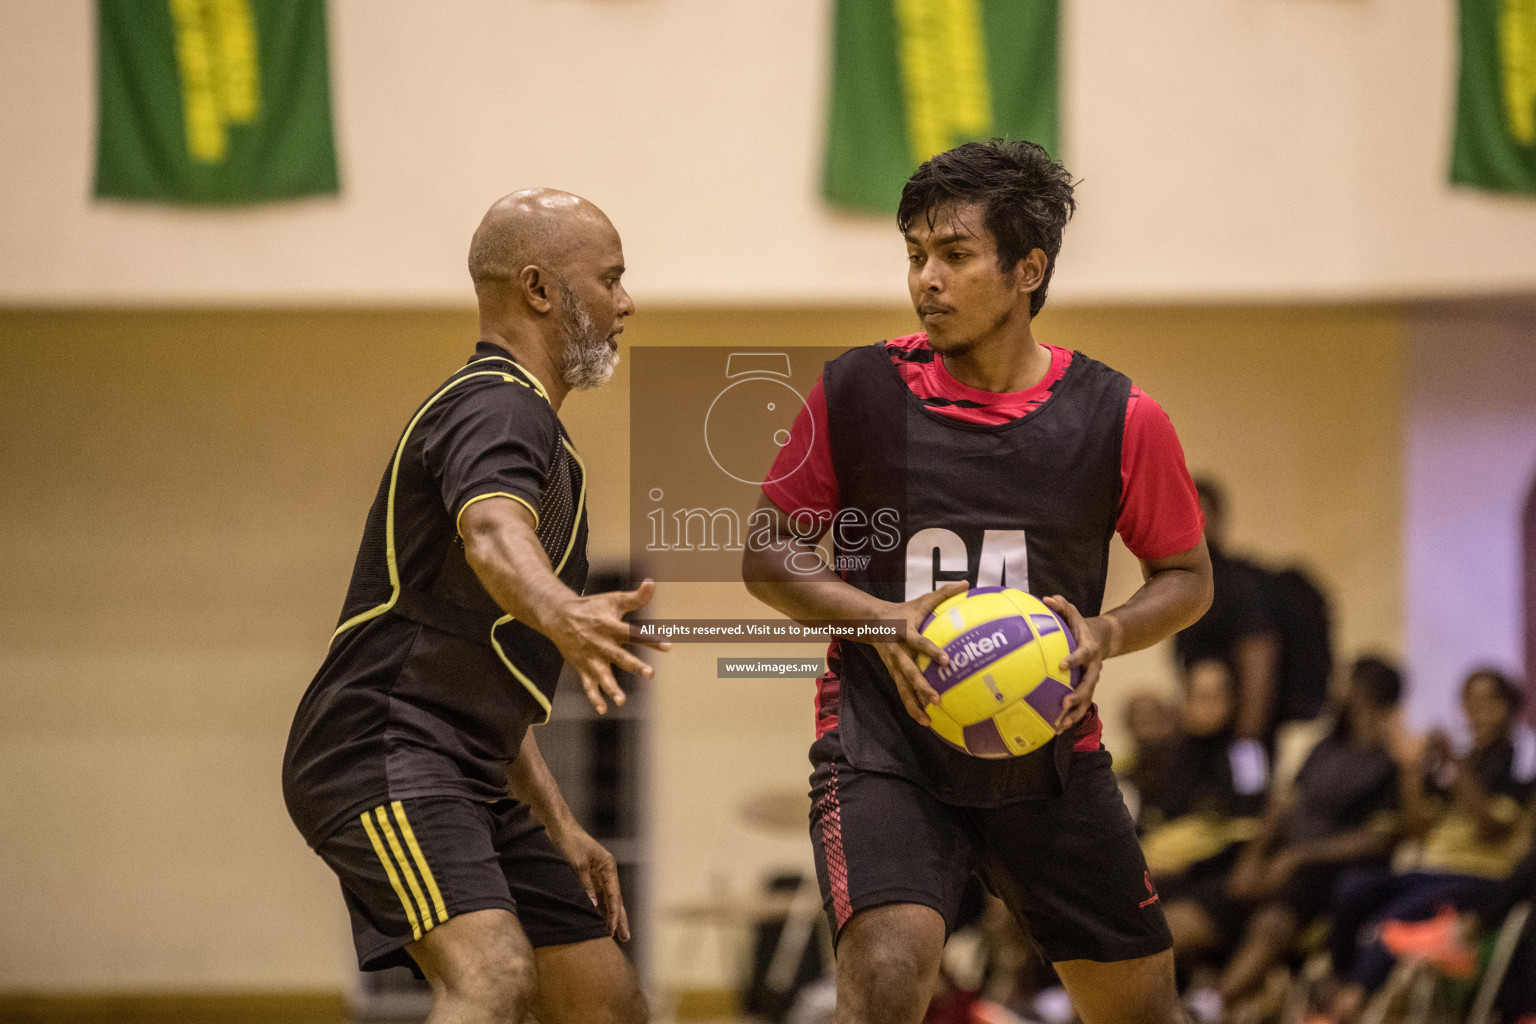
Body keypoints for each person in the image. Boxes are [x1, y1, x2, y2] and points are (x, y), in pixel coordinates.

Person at [740, 140, 1214, 1024]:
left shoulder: (1120, 418)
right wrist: (879, 619)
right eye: (917, 256)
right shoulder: (855, 391)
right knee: (886, 979)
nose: (927, 279)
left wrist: (1108, 631)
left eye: (955, 256)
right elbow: (767, 554)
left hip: (1049, 757)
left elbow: (1186, 577)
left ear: (1028, 268)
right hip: (885, 752)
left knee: (1144, 1008)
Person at [282, 189, 663, 1024]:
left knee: (605, 1003)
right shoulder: (494, 403)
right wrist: (564, 609)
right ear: (538, 289)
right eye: (611, 279)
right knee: (491, 978)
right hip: (380, 743)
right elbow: (494, 532)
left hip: (468, 765)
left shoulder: (534, 426)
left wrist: (558, 821)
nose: (627, 301)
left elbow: (478, 679)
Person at [1318, 668, 1533, 1022]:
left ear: (1507, 708)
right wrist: (1411, 768)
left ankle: (1352, 1004)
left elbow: (1491, 827)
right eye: (1469, 701)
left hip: (1481, 877)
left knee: (1394, 917)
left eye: (1486, 702)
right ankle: (1343, 987)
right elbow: (1419, 828)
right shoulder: (1461, 761)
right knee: (1353, 889)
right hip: (1430, 869)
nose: (1475, 712)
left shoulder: (1518, 762)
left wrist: (1456, 766)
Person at [1213, 657, 1405, 1011]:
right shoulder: (1326, 746)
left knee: (1274, 921)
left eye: (1349, 682)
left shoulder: (1391, 762)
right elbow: (1285, 803)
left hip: (1335, 872)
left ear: (1366, 693)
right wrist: (1254, 856)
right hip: (1284, 859)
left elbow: (1380, 838)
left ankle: (1210, 1006)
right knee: (1218, 894)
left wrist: (1298, 856)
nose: (1339, 690)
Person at [1147, 659, 1268, 981]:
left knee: (1149, 937)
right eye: (1199, 696)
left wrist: (1185, 869)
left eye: (1215, 697)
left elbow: (1249, 839)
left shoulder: (1247, 755)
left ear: (1232, 701)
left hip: (1216, 883)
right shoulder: (1172, 754)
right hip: (1157, 878)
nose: (1206, 707)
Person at [1174, 478, 1284, 749]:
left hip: (1241, 734)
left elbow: (1259, 655)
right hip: (1202, 730)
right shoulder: (1188, 580)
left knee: (1246, 789)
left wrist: (1248, 737)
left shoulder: (1236, 583)